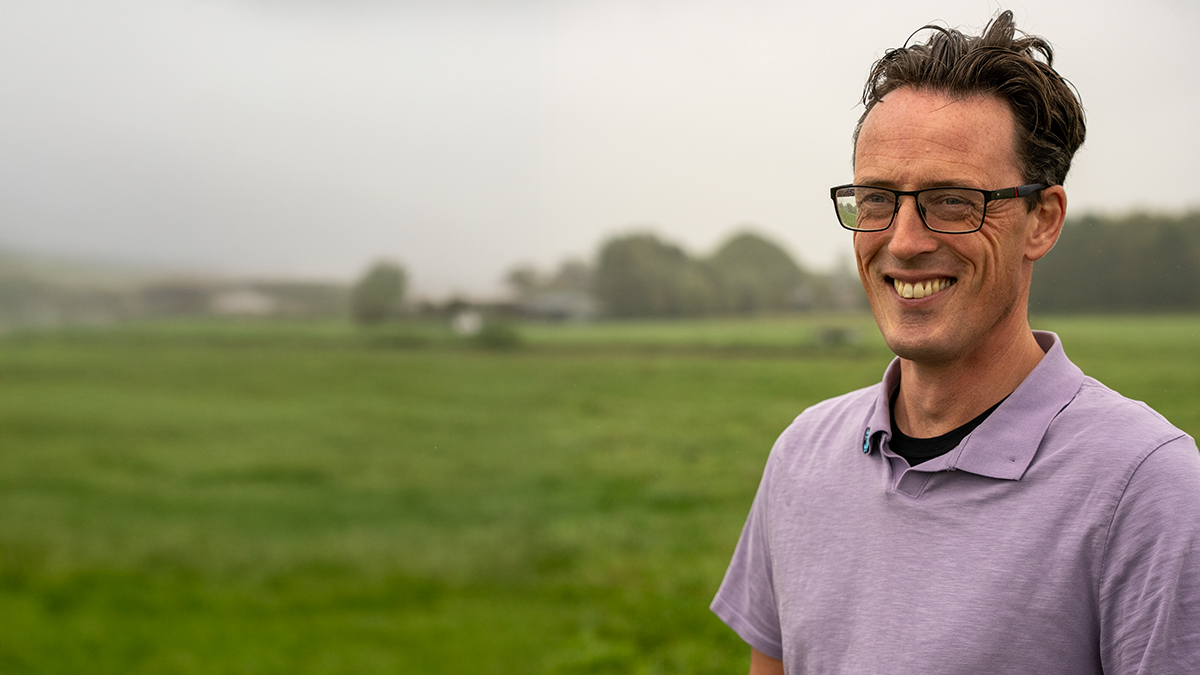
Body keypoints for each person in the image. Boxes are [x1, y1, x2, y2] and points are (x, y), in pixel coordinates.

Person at [710, 11, 1200, 674]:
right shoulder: (802, 454)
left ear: (1042, 220)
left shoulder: (1147, 487)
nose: (905, 241)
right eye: (877, 198)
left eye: (951, 200)